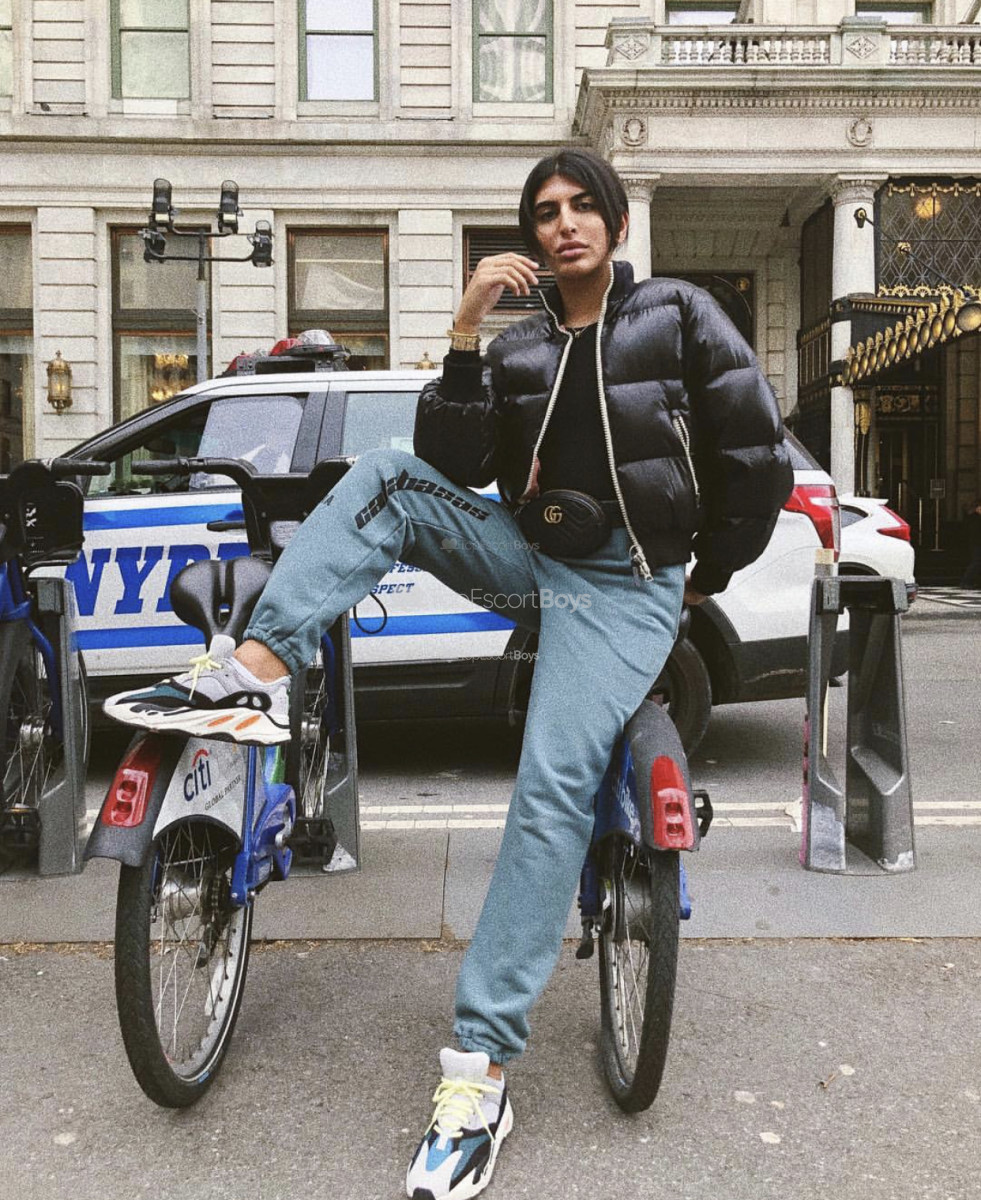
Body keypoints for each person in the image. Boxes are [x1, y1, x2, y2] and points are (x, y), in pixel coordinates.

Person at [105, 148, 793, 1200]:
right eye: (545, 213)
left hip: (624, 583)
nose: (565, 225)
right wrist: (466, 332)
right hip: (532, 558)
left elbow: (756, 458)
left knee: (552, 788)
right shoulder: (518, 346)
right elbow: (452, 464)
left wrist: (706, 574)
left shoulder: (677, 315)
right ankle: (255, 667)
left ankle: (479, 1073)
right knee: (386, 478)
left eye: (583, 207)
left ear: (615, 221)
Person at [960, 499, 981, 589]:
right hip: (976, 543)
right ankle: (966, 581)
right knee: (976, 562)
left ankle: (970, 581)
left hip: (976, 543)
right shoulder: (974, 518)